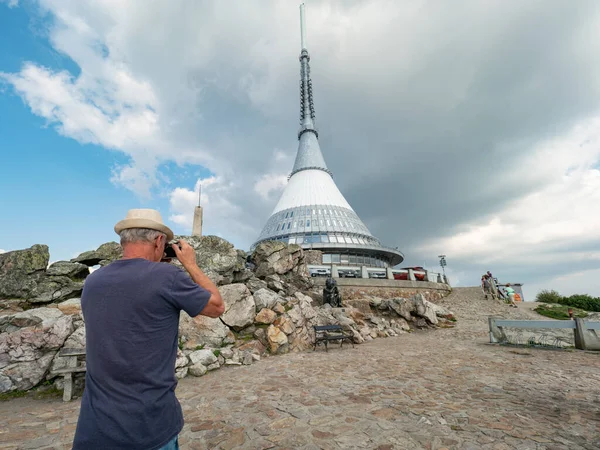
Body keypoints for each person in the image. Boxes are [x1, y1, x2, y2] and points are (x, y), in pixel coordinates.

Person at [73, 209, 225, 450]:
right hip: (148, 427)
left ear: (123, 241)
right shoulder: (167, 276)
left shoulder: (93, 281)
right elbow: (216, 306)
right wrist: (191, 265)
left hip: (95, 427)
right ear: (159, 241)